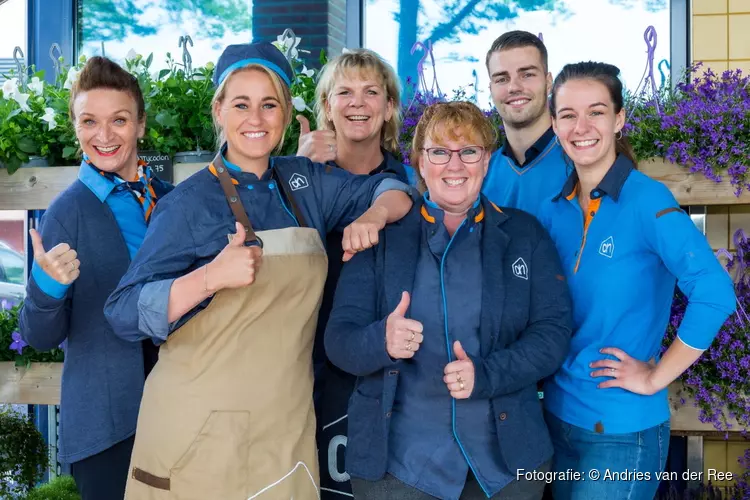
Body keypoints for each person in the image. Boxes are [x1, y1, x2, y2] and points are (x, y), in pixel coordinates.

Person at [104, 41, 413, 500]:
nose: (256, 119)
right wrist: (211, 277)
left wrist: (373, 215)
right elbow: (123, 311)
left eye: (269, 105)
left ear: (286, 115)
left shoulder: (304, 183)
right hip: (198, 433)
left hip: (284, 428)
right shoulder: (188, 204)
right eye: (241, 104)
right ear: (219, 111)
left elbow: (393, 188)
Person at [325, 101, 572, 500]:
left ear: (486, 160)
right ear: (420, 163)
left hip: (506, 468)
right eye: (439, 152)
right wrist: (381, 341)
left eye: (468, 151)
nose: (454, 165)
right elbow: (339, 340)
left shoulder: (525, 235)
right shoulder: (380, 237)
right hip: (399, 470)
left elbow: (552, 333)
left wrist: (487, 374)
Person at [537, 61, 736, 500]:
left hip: (620, 433)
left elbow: (715, 293)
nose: (581, 126)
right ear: (553, 125)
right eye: (568, 114)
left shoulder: (647, 200)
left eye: (596, 111)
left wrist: (654, 377)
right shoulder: (555, 208)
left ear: (619, 119)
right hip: (554, 421)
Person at [18, 56, 173, 499]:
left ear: (141, 125)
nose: (104, 136)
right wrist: (47, 288)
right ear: (76, 128)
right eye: (89, 121)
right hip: (107, 426)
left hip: (180, 407)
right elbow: (40, 337)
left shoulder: (172, 199)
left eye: (119, 120)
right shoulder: (65, 213)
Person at [295, 48, 412, 499]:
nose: (357, 102)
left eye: (370, 92)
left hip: (368, 363)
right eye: (344, 92)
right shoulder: (298, 176)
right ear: (327, 106)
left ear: (388, 107)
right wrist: (298, 165)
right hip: (298, 357)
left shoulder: (406, 180)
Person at [482, 30, 570, 216]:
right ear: (491, 89)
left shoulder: (579, 162)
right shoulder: (481, 172)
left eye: (527, 75)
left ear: (548, 83)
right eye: (502, 79)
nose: (514, 87)